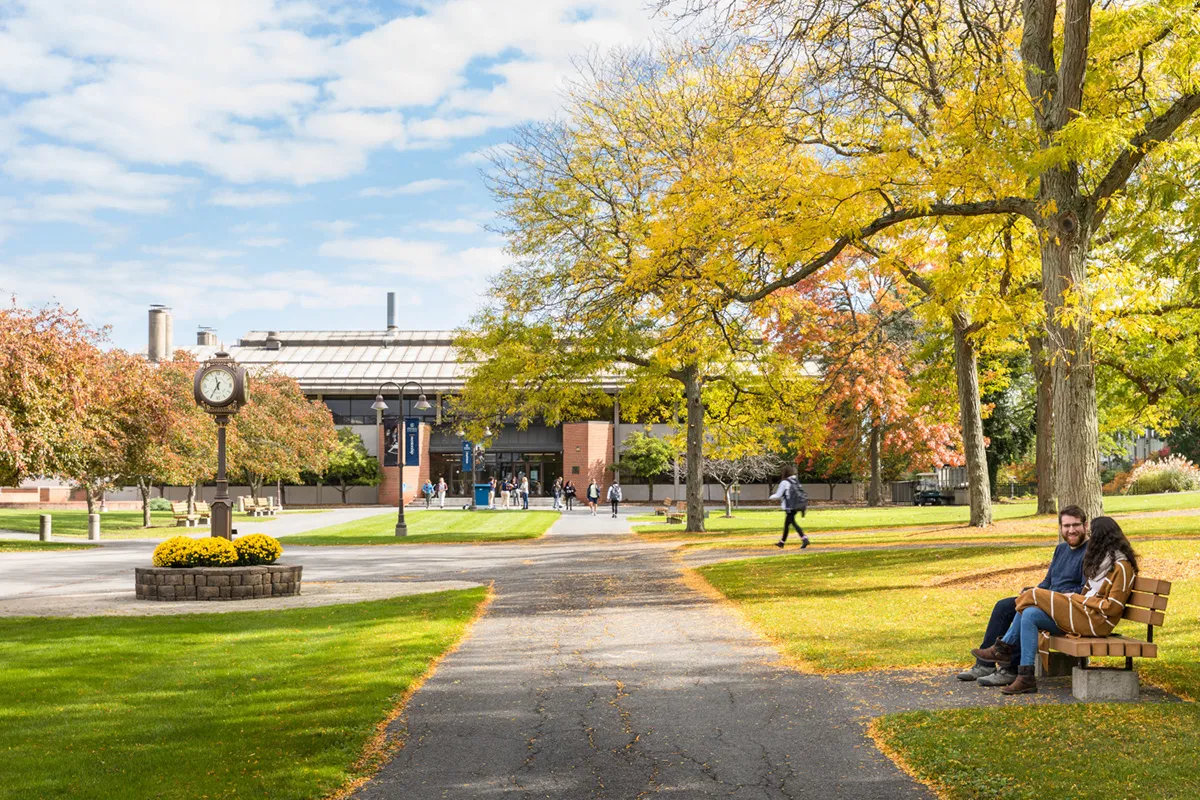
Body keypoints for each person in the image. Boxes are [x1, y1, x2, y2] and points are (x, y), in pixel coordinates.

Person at [971, 515, 1137, 695]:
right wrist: (1074, 600)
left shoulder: (1122, 567)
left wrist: (1075, 598)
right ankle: (1025, 677)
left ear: (1104, 537)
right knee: (1029, 613)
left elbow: (1113, 607)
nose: (1092, 540)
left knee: (1032, 595)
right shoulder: (1104, 563)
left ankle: (1002, 648)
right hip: (1083, 614)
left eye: (1094, 536)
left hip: (1097, 623)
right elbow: (1085, 591)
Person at [956, 505, 1088, 686]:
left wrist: (1045, 596)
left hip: (1065, 609)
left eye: (1076, 525)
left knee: (1027, 611)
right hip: (1045, 601)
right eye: (1066, 526)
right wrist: (1033, 590)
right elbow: (1048, 582)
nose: (1071, 530)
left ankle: (1009, 670)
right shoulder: (1061, 550)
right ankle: (985, 665)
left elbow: (1083, 590)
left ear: (1085, 526)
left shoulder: (1089, 553)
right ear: (1060, 528)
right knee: (1004, 606)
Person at [769, 467, 809, 549]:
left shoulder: (784, 482)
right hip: (796, 505)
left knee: (793, 523)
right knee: (787, 524)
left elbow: (778, 495)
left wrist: (770, 497)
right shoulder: (795, 481)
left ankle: (804, 539)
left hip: (789, 506)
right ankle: (782, 542)